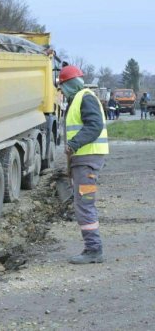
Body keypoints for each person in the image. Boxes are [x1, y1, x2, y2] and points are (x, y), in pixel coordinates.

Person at [60, 65, 109, 264]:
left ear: (70, 83)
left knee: (85, 204)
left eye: (62, 85)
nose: (61, 90)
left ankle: (94, 250)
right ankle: (92, 248)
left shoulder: (85, 97)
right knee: (83, 203)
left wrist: (74, 144)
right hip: (83, 161)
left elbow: (94, 125)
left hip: (88, 160)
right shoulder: (77, 99)